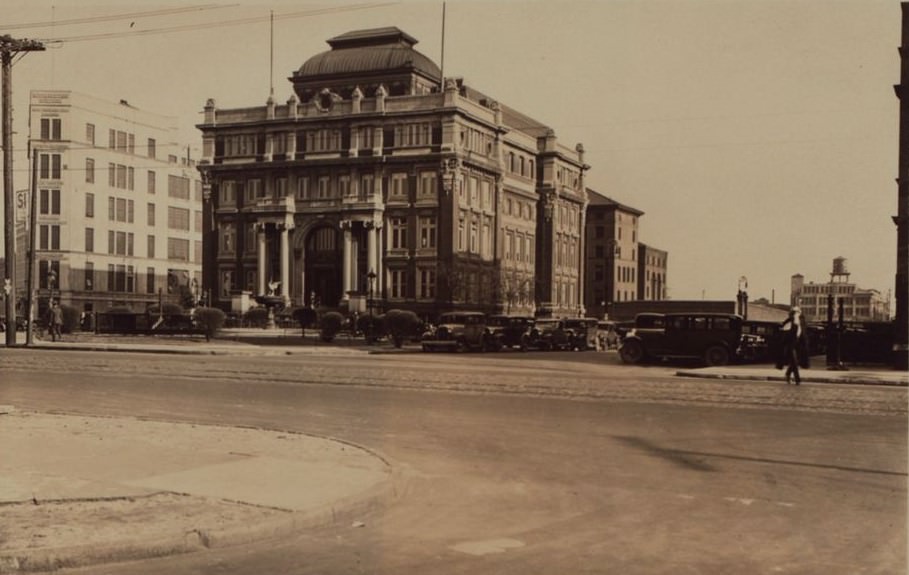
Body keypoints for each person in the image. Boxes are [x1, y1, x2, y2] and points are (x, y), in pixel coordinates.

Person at [778, 306, 809, 385]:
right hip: (791, 345)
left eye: (797, 312)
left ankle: (788, 374)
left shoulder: (802, 321)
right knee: (794, 362)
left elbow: (804, 333)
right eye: (795, 312)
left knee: (796, 362)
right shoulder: (789, 322)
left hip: (799, 344)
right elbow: (784, 331)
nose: (796, 314)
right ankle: (797, 380)